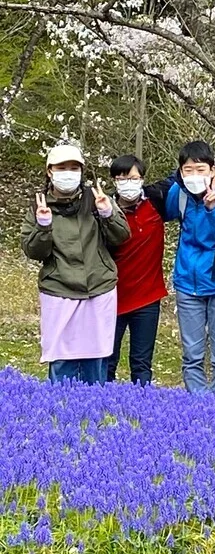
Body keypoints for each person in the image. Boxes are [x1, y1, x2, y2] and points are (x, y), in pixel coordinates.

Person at [20, 142, 130, 385]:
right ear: (50, 171)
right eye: (62, 167)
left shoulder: (97, 199)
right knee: (62, 361)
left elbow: (122, 236)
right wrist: (43, 226)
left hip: (98, 288)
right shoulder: (40, 205)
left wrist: (107, 213)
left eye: (74, 167)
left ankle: (95, 417)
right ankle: (60, 417)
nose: (68, 173)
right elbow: (34, 251)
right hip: (59, 291)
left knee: (96, 360)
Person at [164, 141, 215, 393]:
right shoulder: (179, 193)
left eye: (201, 169)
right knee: (192, 353)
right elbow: (162, 212)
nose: (194, 175)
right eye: (188, 170)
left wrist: (212, 209)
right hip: (188, 282)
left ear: (212, 169)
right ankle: (197, 406)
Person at [106, 154, 174, 386]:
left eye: (135, 177)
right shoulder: (104, 209)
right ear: (114, 180)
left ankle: (142, 413)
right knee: (107, 360)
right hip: (112, 297)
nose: (129, 183)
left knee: (141, 363)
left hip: (147, 297)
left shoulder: (155, 200)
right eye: (123, 177)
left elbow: (182, 175)